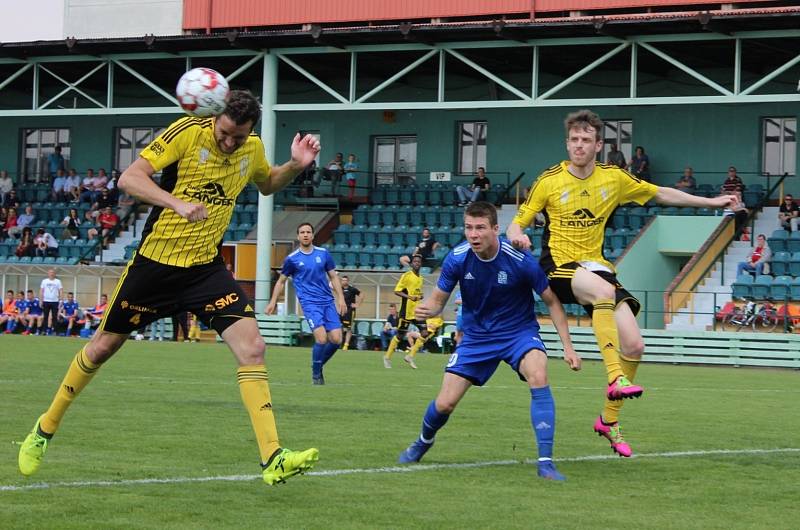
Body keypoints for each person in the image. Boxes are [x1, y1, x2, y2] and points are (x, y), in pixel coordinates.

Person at [17, 90, 321, 486]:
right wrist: (175, 203)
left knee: (253, 348)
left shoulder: (253, 149)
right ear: (216, 119)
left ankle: (273, 457)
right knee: (101, 348)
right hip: (155, 266)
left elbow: (267, 183)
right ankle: (45, 427)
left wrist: (296, 166)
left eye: (239, 137)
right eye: (225, 134)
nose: (230, 143)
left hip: (204, 270)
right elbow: (130, 178)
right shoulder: (186, 132)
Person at [506, 109, 737, 457]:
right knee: (603, 291)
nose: (579, 146)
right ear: (567, 143)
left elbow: (661, 194)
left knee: (635, 344)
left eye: (586, 140)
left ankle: (608, 421)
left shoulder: (613, 178)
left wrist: (711, 202)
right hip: (558, 266)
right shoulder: (549, 180)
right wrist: (518, 236)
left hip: (596, 267)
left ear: (599, 145)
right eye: (574, 140)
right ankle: (615, 377)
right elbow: (515, 224)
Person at [397, 202, 581, 481]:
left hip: (518, 333)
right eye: (469, 227)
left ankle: (546, 463)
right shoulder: (457, 258)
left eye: (480, 228)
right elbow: (437, 301)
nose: (473, 234)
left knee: (539, 375)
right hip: (477, 337)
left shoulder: (519, 260)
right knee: (445, 403)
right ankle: (423, 441)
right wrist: (428, 309)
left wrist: (567, 346)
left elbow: (552, 302)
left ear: (496, 229)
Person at [266, 222, 347, 385]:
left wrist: (341, 298)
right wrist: (273, 301)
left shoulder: (323, 254)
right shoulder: (292, 259)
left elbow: (333, 277)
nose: (305, 234)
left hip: (327, 302)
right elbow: (281, 281)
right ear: (298, 236)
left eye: (308, 232)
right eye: (302, 232)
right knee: (322, 338)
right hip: (310, 304)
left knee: (337, 339)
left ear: (313, 235)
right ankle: (316, 376)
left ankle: (317, 365)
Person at [384, 254, 423, 369]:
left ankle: (410, 356)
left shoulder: (421, 278)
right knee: (400, 336)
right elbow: (397, 291)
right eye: (415, 261)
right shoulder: (407, 275)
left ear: (421, 264)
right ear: (411, 264)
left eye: (418, 262)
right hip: (406, 312)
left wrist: (420, 295)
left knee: (426, 332)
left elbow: (416, 292)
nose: (417, 263)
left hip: (416, 311)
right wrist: (410, 297)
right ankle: (387, 357)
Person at [339, 274, 363, 351]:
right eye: (342, 280)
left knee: (348, 328)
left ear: (348, 281)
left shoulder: (352, 289)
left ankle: (346, 345)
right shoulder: (340, 289)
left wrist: (357, 304)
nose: (344, 281)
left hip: (350, 311)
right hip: (341, 310)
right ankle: (339, 343)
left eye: (345, 280)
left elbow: (362, 294)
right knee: (339, 327)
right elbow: (331, 286)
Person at [40, 268, 63, 336]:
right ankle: (44, 330)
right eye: (50, 272)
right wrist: (41, 300)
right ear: (48, 273)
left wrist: (61, 300)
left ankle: (55, 331)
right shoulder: (44, 281)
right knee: (45, 317)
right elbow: (41, 290)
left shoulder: (58, 281)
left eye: (53, 272)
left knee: (54, 317)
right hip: (46, 301)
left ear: (55, 274)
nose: (51, 274)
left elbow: (61, 290)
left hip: (55, 301)